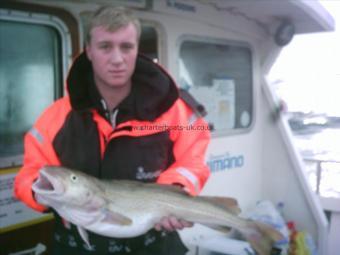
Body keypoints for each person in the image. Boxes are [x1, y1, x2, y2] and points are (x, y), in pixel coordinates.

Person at [14, 5, 211, 255]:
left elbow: (194, 160)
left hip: (154, 244)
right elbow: (30, 173)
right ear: (89, 51)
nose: (117, 59)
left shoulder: (174, 112)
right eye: (105, 46)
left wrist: (175, 191)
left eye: (126, 47)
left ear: (137, 50)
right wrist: (42, 194)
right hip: (76, 246)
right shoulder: (55, 117)